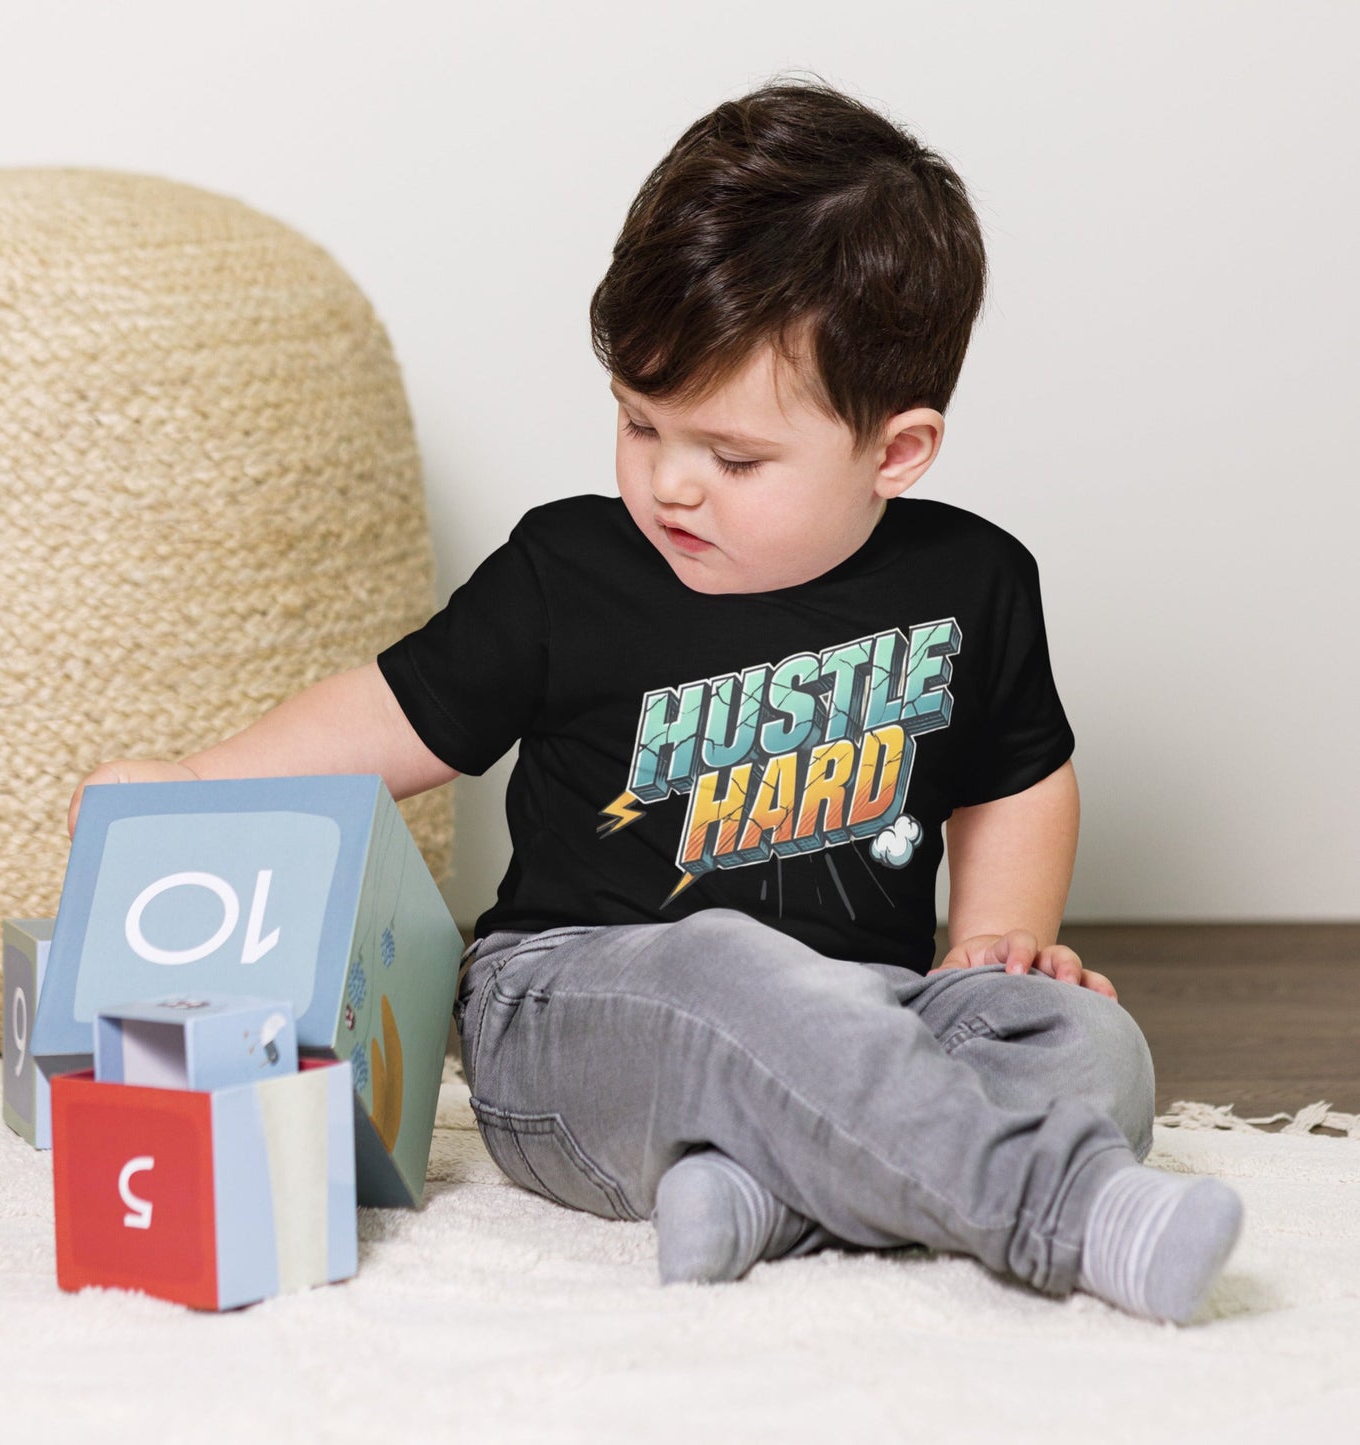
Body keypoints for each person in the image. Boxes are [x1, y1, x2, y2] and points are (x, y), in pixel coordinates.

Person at [69, 78, 1242, 1323]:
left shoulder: (974, 581)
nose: (670, 484)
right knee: (727, 964)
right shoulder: (564, 572)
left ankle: (767, 1199)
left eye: (732, 457)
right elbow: (390, 715)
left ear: (893, 452)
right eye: (639, 422)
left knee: (1088, 1043)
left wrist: (988, 945)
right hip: (580, 1008)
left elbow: (1014, 773)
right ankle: (1049, 1207)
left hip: (873, 1015)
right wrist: (195, 787)